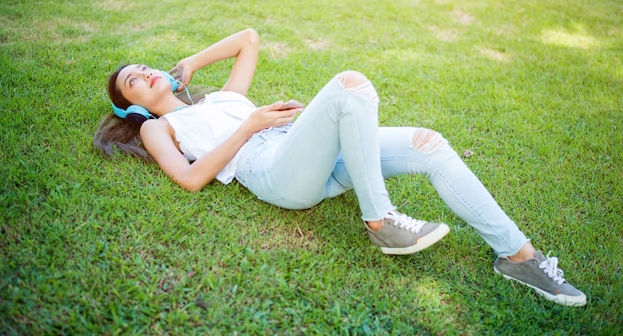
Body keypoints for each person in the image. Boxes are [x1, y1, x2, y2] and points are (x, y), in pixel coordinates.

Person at [94, 28, 586, 307]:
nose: (145, 74)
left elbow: (248, 39)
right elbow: (190, 179)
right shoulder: (156, 129)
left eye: (143, 67)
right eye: (134, 82)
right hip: (272, 171)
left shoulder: (223, 96)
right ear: (132, 106)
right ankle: (380, 220)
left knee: (428, 144)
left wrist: (191, 64)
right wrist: (250, 126)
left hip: (302, 151)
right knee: (350, 84)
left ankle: (520, 259)